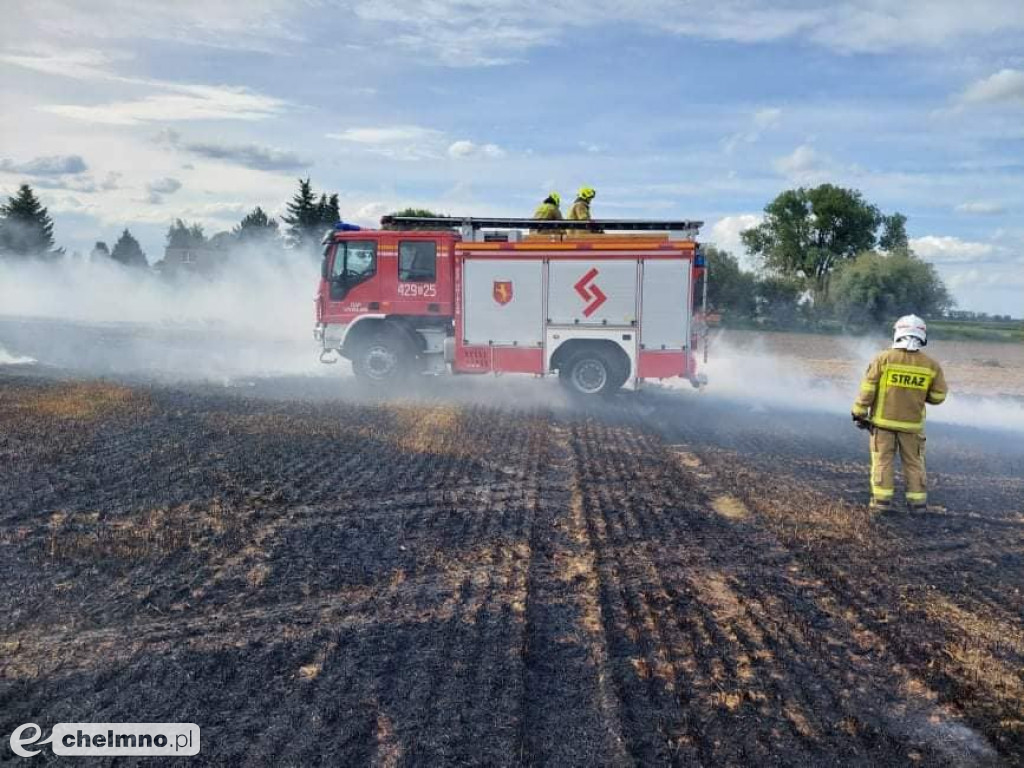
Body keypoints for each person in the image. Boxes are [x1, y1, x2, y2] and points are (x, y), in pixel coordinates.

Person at [851, 314, 948, 512]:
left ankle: (881, 503)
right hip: (912, 427)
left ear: (897, 333)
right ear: (922, 336)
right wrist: (919, 395)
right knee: (914, 464)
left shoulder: (883, 359)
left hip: (882, 425)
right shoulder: (931, 365)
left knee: (882, 462)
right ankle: (917, 504)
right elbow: (939, 396)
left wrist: (858, 412)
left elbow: (868, 389)